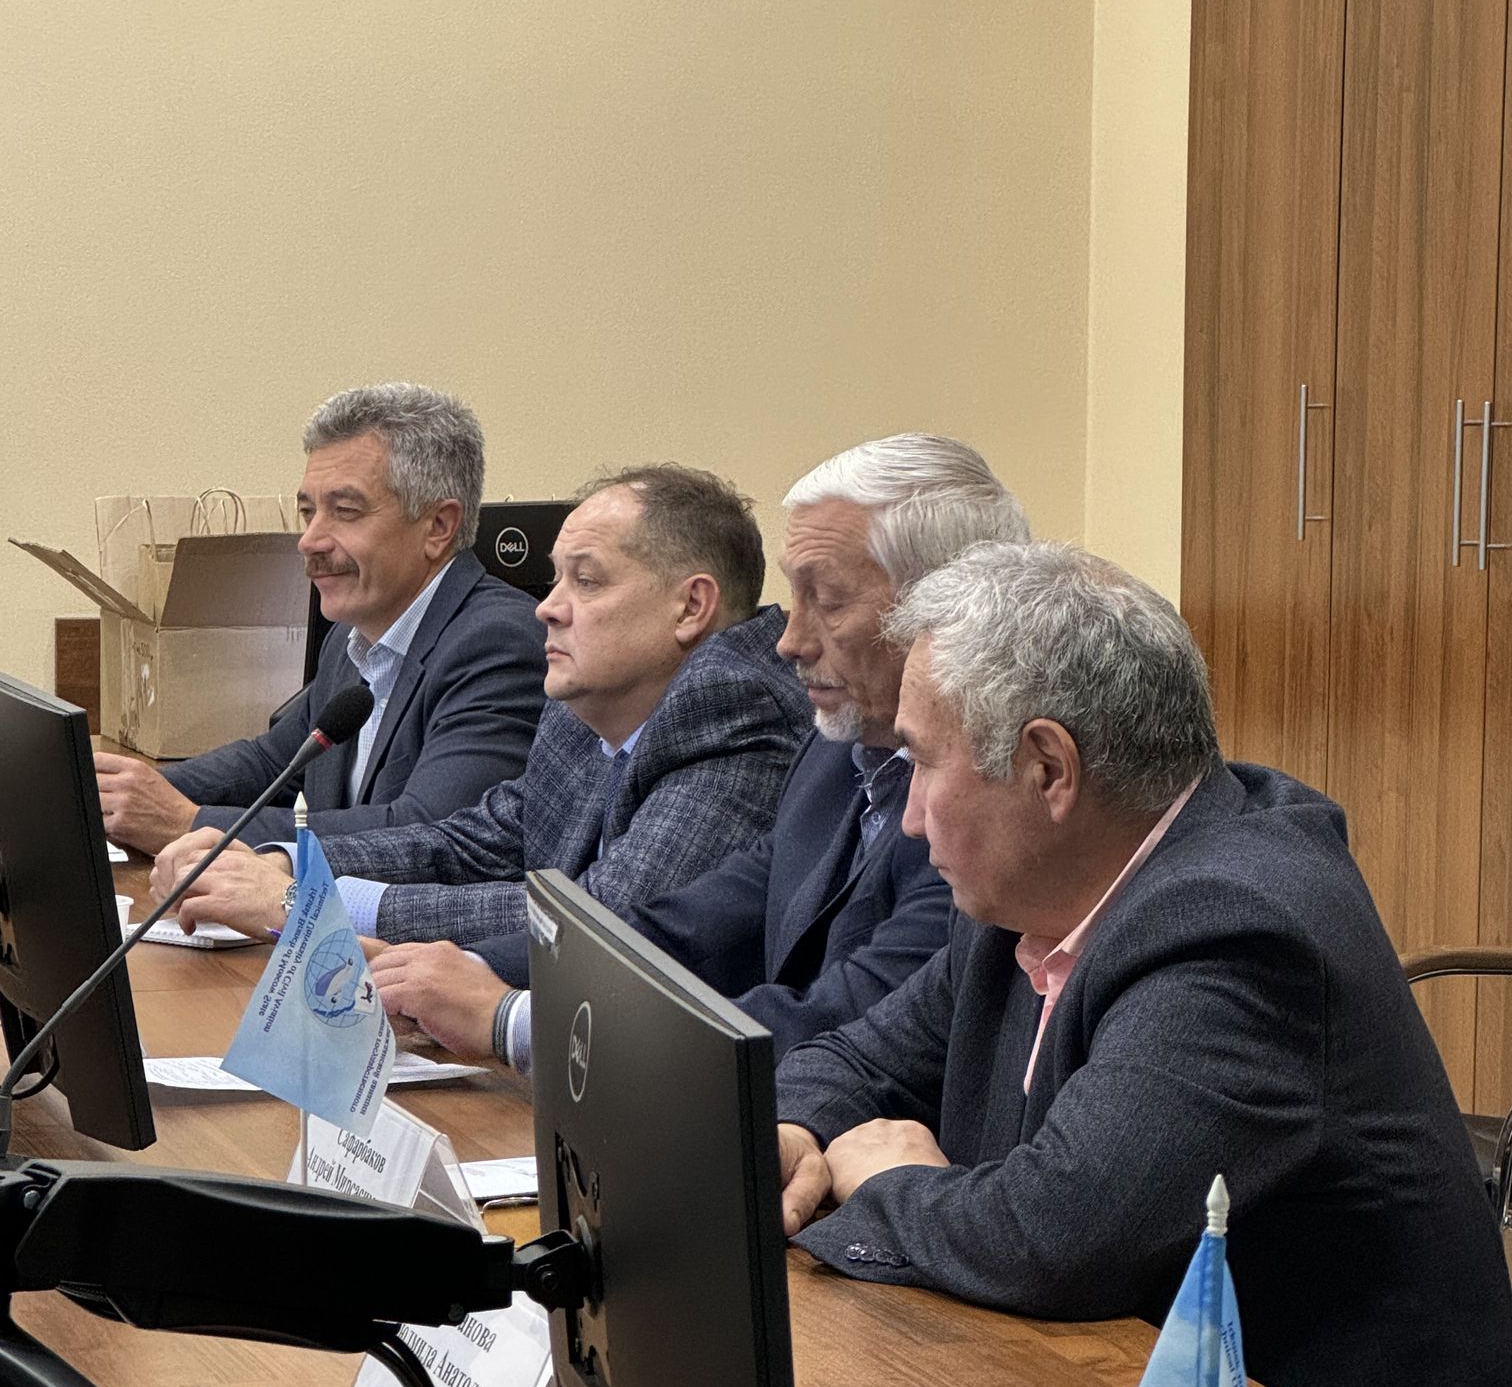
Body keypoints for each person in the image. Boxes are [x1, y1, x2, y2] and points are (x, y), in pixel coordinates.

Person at [776, 539, 1512, 1387]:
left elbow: (1056, 1233)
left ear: (1048, 767)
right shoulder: (1026, 894)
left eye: (921, 762)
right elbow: (853, 1058)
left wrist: (888, 1182)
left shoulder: (1242, 927)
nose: (909, 818)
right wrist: (796, 1132)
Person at [367, 435, 1028, 1070]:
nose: (789, 641)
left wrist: (512, 1019)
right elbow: (687, 929)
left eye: (826, 602)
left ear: (942, 615)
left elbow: (843, 1019)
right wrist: (470, 969)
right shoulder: (837, 754)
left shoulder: (987, 800)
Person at [151, 464, 812, 963]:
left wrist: (309, 903)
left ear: (691, 607)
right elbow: (475, 841)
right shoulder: (586, 709)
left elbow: (602, 921)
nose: (547, 608)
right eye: (555, 579)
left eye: (586, 581)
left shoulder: (734, 710)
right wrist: (292, 862)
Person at [94, 382, 546, 851]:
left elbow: (428, 835)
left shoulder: (499, 644)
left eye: (344, 511)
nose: (309, 540)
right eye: (308, 512)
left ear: (438, 526)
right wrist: (110, 791)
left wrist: (186, 823)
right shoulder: (351, 637)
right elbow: (273, 765)